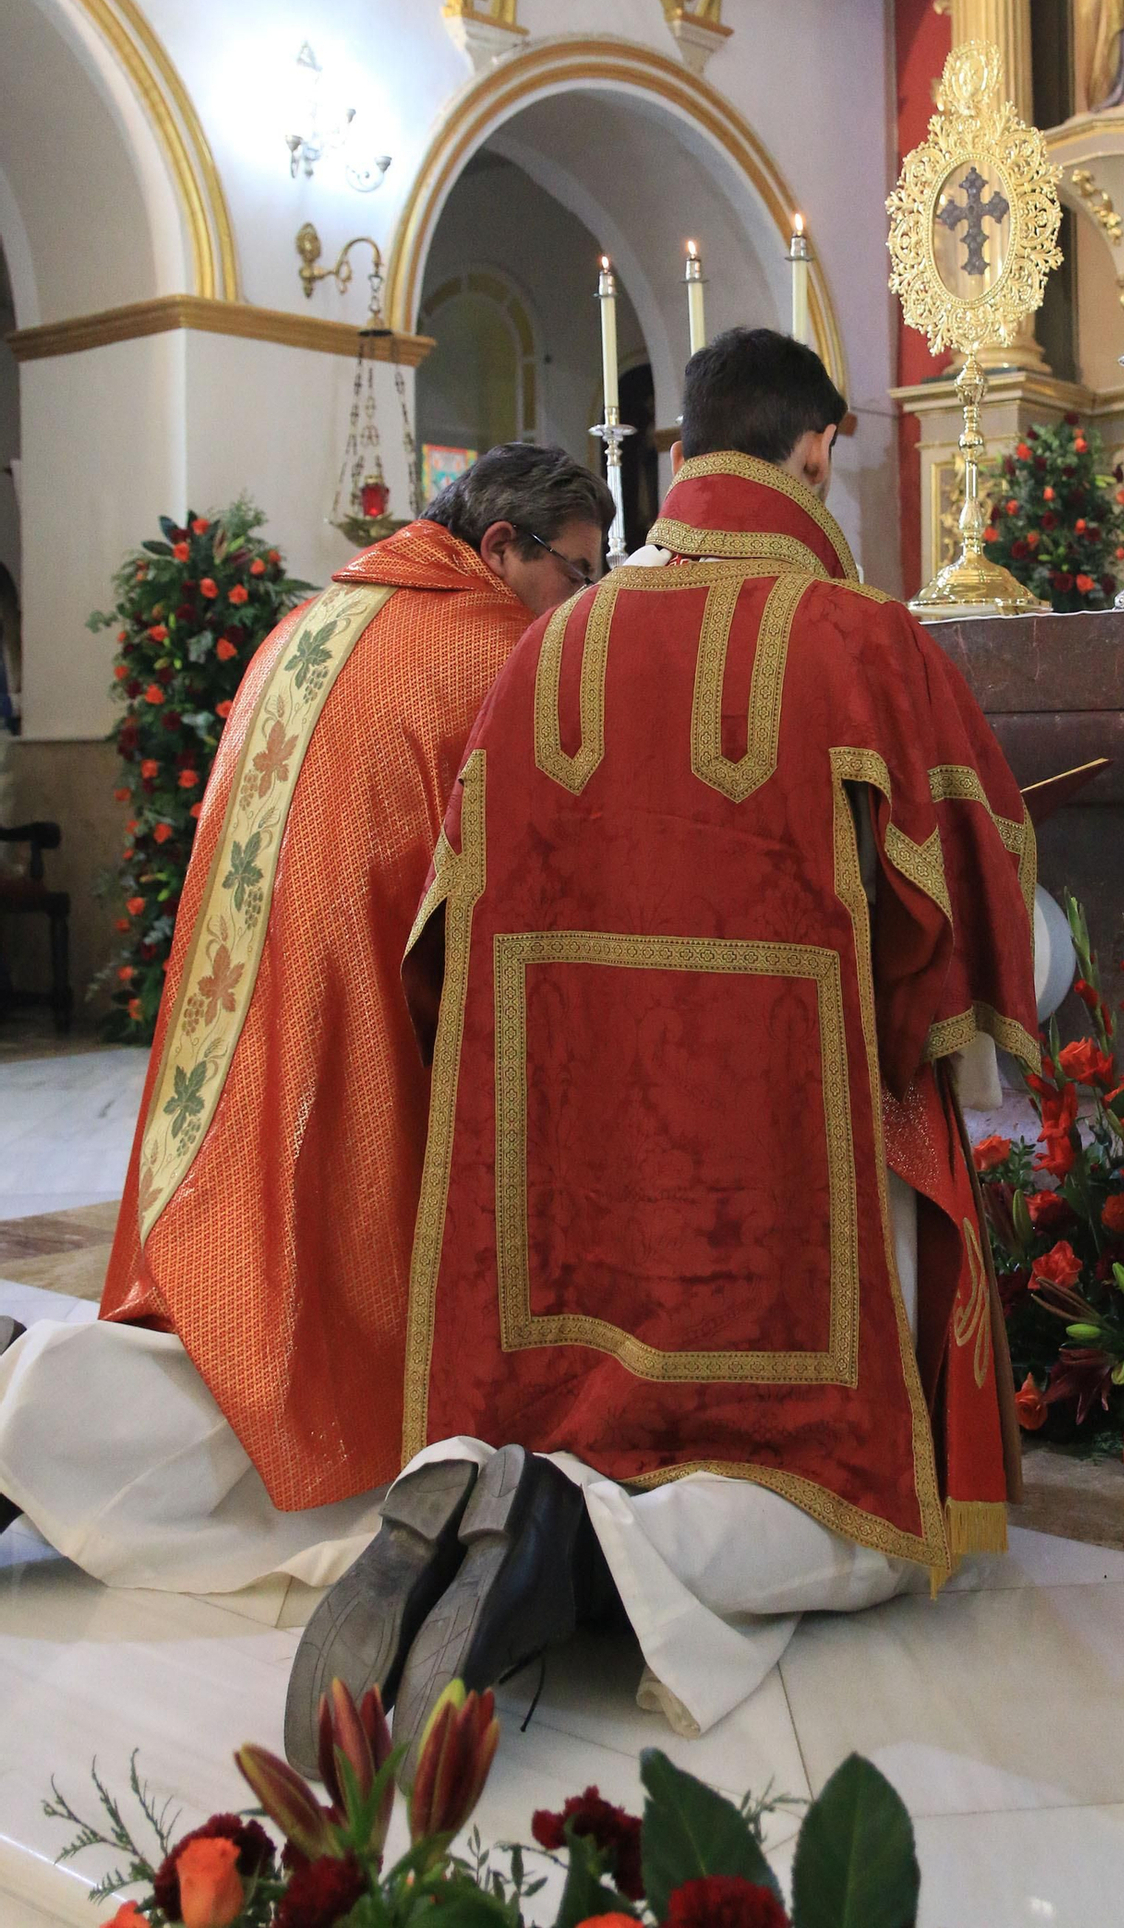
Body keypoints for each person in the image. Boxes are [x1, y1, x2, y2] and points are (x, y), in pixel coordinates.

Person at [288, 328, 1040, 1760]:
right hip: (779, 1233)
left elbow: (444, 949)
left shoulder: (545, 643)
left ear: (683, 459)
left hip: (566, 1241)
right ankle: (573, 1550)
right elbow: (977, 933)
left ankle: (469, 1482)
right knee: (881, 1527)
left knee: (572, 1417)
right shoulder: (866, 640)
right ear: (817, 452)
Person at [0, 446, 612, 1590]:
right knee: (291, 1335)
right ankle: (38, 1427)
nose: (577, 609)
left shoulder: (310, 624)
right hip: (348, 1033)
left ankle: (46, 1408)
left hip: (228, 1032)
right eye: (574, 578)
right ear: (500, 552)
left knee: (224, 1287)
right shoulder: (486, 653)